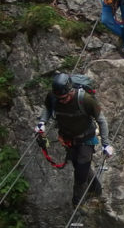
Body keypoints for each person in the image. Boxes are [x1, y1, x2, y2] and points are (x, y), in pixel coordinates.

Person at [36, 73, 114, 207]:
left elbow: (101, 120)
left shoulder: (85, 99)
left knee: (80, 172)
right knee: (78, 165)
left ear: (71, 91)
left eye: (65, 98)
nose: (62, 101)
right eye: (59, 98)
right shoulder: (53, 97)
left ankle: (78, 204)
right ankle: (96, 190)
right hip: (68, 139)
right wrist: (42, 122)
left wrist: (105, 144)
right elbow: (48, 108)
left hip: (86, 138)